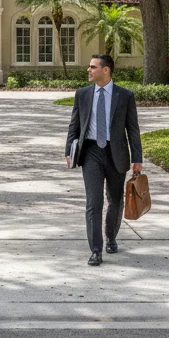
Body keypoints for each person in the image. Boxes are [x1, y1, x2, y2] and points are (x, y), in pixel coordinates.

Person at [65, 53, 143, 266]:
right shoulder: (82, 94)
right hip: (91, 152)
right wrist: (69, 150)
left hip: (116, 153)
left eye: (93, 67)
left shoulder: (124, 96)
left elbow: (133, 130)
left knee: (115, 200)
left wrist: (137, 158)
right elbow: (74, 125)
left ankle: (111, 236)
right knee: (94, 202)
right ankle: (96, 250)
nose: (88, 70)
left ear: (106, 70)